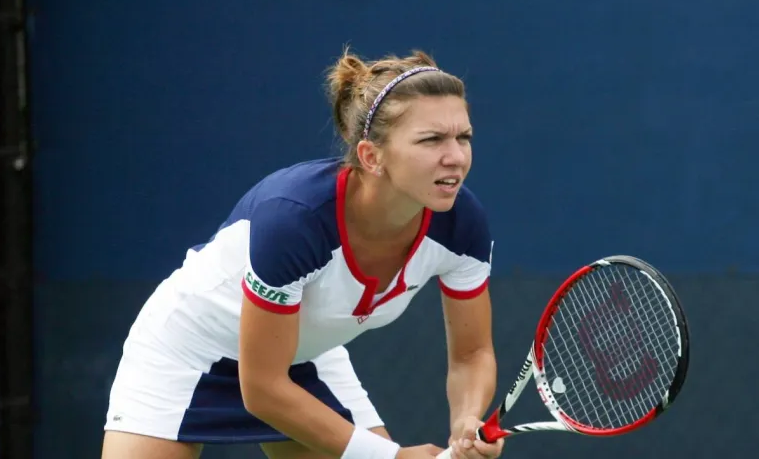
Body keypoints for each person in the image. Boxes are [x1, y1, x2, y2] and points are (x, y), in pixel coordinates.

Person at [101, 47, 505, 459]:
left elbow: (472, 354)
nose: (456, 156)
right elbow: (262, 389)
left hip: (302, 359)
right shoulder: (295, 219)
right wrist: (393, 457)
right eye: (431, 139)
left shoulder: (461, 223)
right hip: (186, 350)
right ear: (371, 156)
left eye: (464, 137)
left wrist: (466, 424)